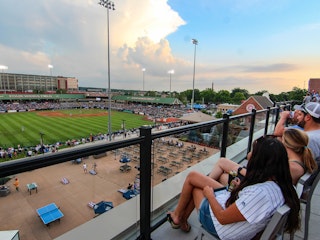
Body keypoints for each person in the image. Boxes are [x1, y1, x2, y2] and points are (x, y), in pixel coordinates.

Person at [167, 136, 300, 239]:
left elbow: (222, 218)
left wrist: (210, 195)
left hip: (221, 227)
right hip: (235, 210)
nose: (249, 155)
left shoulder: (261, 194)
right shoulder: (284, 185)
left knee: (195, 185)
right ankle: (180, 218)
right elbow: (250, 203)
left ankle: (179, 217)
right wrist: (240, 189)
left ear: (260, 160)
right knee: (195, 177)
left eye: (254, 152)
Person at [209, 128, 317, 186]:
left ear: (286, 144)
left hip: (254, 186)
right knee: (222, 163)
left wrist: (240, 169)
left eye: (281, 140)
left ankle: (210, 198)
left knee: (221, 174)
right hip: (259, 183)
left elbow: (258, 177)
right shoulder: (299, 160)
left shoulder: (291, 167)